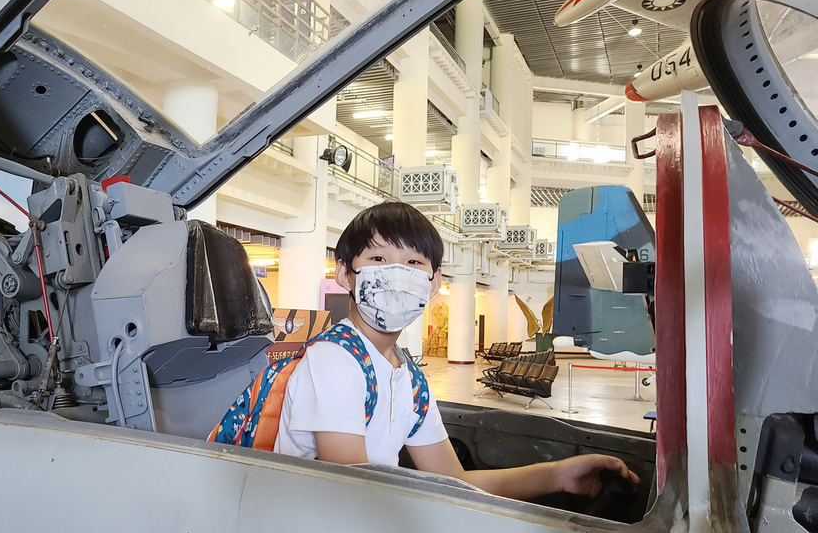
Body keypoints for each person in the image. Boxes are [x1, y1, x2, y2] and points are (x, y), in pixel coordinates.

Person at [273, 200, 639, 501]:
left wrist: (559, 475)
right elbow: (351, 494)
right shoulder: (335, 360)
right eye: (379, 260)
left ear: (433, 282)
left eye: (414, 263)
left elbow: (453, 479)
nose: (398, 275)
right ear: (344, 274)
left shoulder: (408, 376)